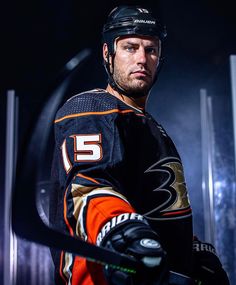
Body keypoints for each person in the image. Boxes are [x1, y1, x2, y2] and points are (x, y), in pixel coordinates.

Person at [50, 5, 230, 285]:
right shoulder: (92, 107)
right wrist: (122, 232)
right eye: (130, 48)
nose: (142, 59)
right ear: (107, 54)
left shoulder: (151, 126)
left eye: (152, 49)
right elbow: (88, 188)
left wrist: (190, 252)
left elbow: (156, 207)